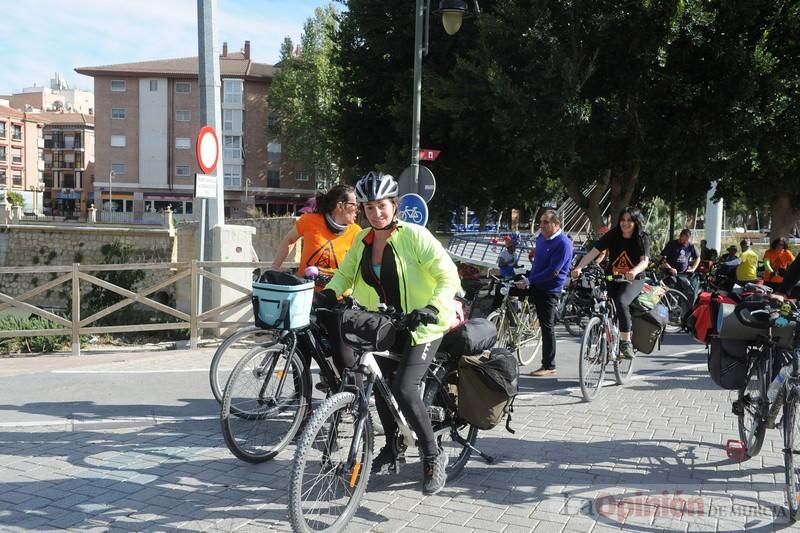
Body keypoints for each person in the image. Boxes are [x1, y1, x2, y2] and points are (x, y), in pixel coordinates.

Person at [317, 171, 461, 495]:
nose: (376, 213)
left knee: (405, 389)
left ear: (394, 205)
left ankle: (432, 456)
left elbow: (447, 275)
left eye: (382, 206)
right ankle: (393, 448)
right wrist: (328, 293)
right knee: (379, 385)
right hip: (389, 323)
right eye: (369, 208)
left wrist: (434, 307)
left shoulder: (415, 236)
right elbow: (344, 275)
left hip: (425, 325)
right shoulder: (362, 239)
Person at [571, 207, 651, 360]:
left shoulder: (642, 237)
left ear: (636, 222)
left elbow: (645, 261)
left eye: (629, 220)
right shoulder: (613, 235)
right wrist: (579, 267)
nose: (625, 223)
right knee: (600, 301)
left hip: (634, 279)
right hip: (612, 277)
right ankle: (604, 332)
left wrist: (633, 271)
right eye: (622, 220)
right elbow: (593, 253)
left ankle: (625, 341)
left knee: (622, 301)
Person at [515, 209, 573, 377]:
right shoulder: (542, 237)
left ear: (556, 224)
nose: (541, 226)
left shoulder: (563, 243)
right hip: (534, 281)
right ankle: (511, 327)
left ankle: (549, 365)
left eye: (546, 223)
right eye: (541, 222)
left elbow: (553, 272)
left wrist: (529, 281)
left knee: (547, 327)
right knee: (504, 289)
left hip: (549, 288)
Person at [271, 184, 362, 289]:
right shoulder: (309, 220)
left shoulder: (356, 232)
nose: (357, 209)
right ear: (340, 206)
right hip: (305, 293)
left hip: (337, 297)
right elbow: (289, 240)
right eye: (354, 205)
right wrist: (275, 267)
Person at [660, 229, 700, 303]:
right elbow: (662, 259)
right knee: (671, 294)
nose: (684, 242)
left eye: (686, 240)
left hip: (684, 275)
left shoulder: (690, 246)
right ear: (680, 236)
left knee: (687, 294)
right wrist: (670, 268)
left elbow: (698, 258)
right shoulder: (671, 244)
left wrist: (693, 268)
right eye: (683, 239)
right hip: (671, 275)